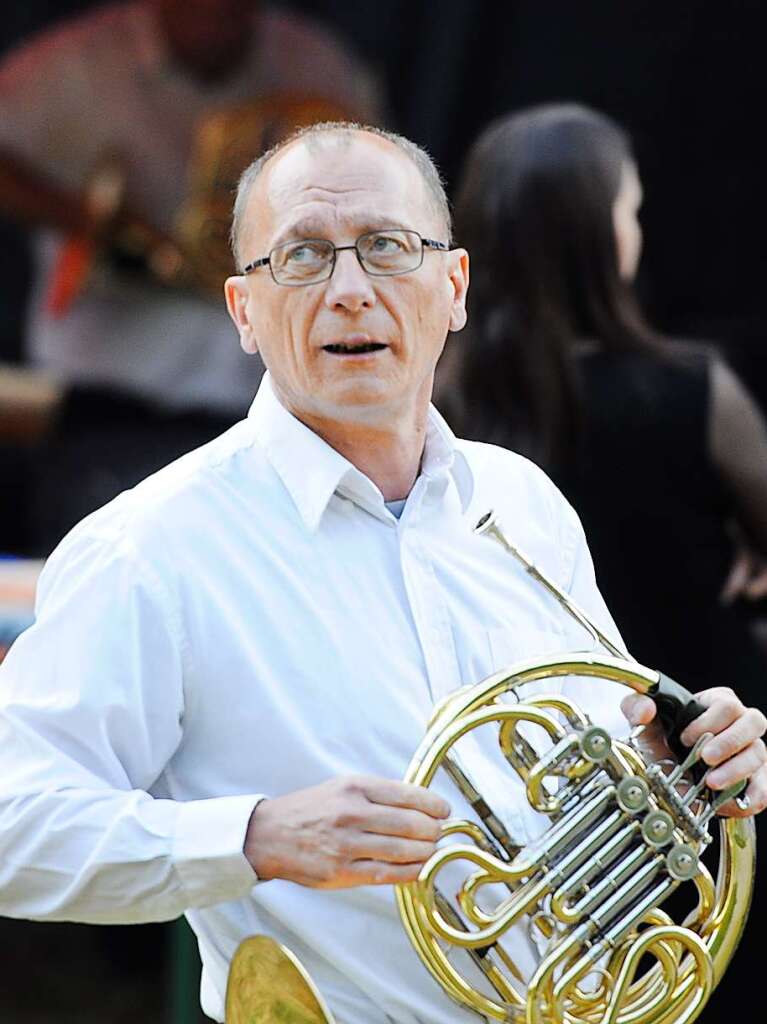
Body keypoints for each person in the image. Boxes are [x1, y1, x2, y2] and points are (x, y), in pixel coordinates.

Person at [0, 122, 764, 1024]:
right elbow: (14, 825)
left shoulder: (522, 502)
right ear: (244, 312)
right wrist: (253, 837)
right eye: (303, 258)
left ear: (454, 289)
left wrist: (684, 762)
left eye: (387, 248)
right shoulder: (150, 547)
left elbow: (596, 765)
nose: (350, 292)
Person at [0, 0, 381, 551]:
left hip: (267, 404)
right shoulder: (78, 62)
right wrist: (79, 219)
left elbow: (383, 186)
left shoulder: (315, 63)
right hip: (108, 399)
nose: (216, 15)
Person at [441, 102, 767, 696]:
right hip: (709, 736)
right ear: (599, 234)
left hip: (535, 753)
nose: (638, 228)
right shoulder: (691, 389)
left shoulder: (439, 407)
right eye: (631, 211)